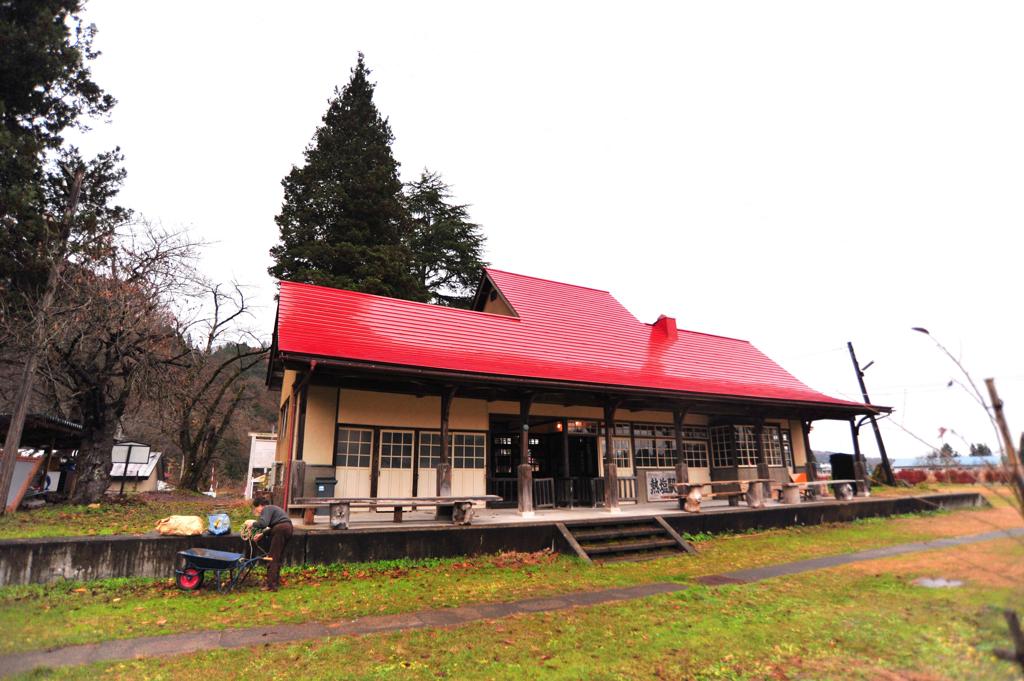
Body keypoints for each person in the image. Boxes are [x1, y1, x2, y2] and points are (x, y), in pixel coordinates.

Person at [248, 495, 293, 591]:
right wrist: (262, 535)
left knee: (272, 557)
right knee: (278, 557)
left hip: (281, 529)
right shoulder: (274, 509)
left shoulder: (267, 508)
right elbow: (274, 525)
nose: (258, 512)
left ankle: (271, 585)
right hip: (287, 528)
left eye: (257, 508)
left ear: (261, 505)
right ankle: (275, 582)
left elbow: (263, 523)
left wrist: (252, 524)